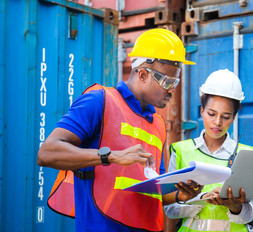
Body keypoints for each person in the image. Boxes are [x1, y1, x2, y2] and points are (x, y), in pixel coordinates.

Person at [37, 28, 202, 232]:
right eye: (167, 81)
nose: (172, 89)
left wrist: (180, 194)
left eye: (175, 82)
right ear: (142, 74)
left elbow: (153, 190)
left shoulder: (158, 124)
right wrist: (112, 156)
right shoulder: (99, 101)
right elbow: (46, 153)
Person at [164, 69, 253, 232]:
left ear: (234, 117)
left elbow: (249, 215)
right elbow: (170, 209)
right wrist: (200, 199)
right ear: (201, 111)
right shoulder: (181, 151)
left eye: (226, 117)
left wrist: (235, 206)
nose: (217, 122)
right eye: (211, 113)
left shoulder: (247, 155)